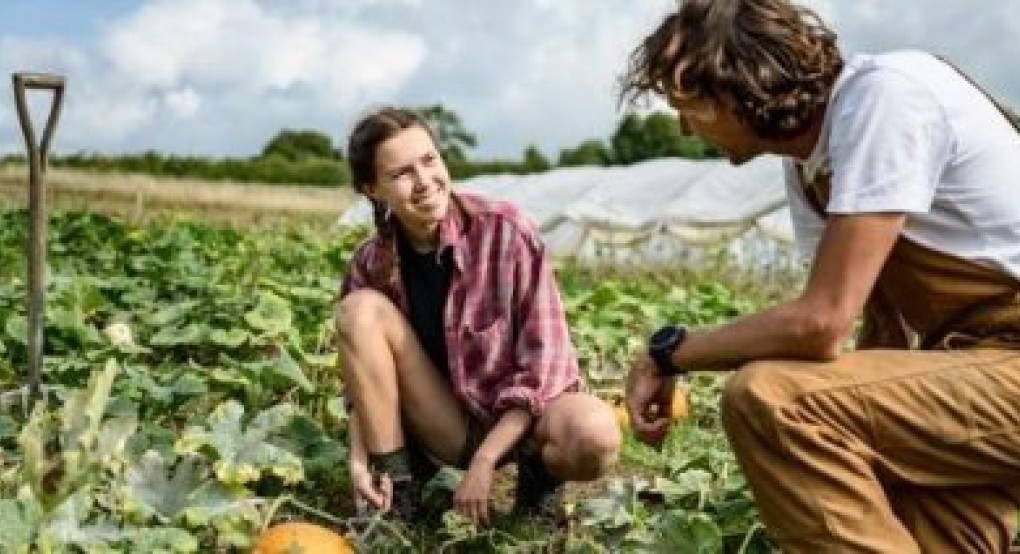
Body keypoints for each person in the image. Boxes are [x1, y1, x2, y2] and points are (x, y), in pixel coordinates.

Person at [620, 0, 1020, 551]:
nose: (687, 128)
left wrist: (670, 353)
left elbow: (821, 323)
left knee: (770, 398)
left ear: (737, 85)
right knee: (923, 532)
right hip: (973, 368)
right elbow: (876, 327)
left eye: (690, 107)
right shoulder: (810, 166)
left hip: (1003, 363)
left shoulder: (886, 97)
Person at [335, 106, 620, 526]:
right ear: (373, 189)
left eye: (429, 161)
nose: (425, 181)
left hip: (525, 427)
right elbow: (361, 387)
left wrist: (485, 462)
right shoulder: (371, 264)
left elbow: (545, 373)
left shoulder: (506, 233)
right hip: (446, 427)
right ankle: (396, 496)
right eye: (402, 174)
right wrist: (360, 462)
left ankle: (539, 483)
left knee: (595, 432)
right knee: (359, 311)